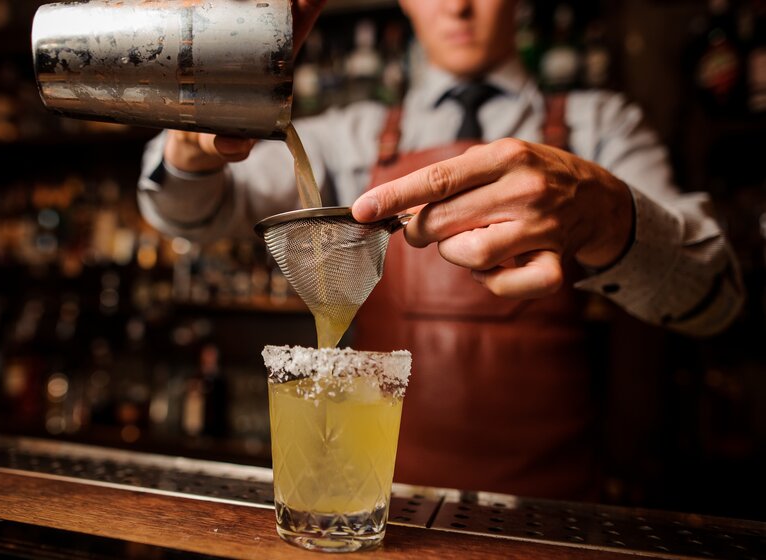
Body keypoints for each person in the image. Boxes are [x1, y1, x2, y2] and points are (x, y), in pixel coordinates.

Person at [137, 0, 745, 500]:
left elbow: (715, 300)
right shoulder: (348, 133)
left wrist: (605, 215)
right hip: (380, 507)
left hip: (554, 514)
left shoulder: (603, 125)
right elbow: (191, 214)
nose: (457, 5)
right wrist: (193, 137)